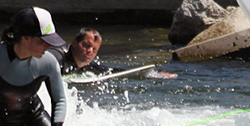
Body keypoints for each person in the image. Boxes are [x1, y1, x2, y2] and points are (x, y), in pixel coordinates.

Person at [50, 28, 178, 78]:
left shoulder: (89, 66)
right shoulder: (58, 57)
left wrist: (154, 74)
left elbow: (112, 71)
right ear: (74, 43)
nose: (89, 51)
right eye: (86, 46)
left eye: (94, 50)